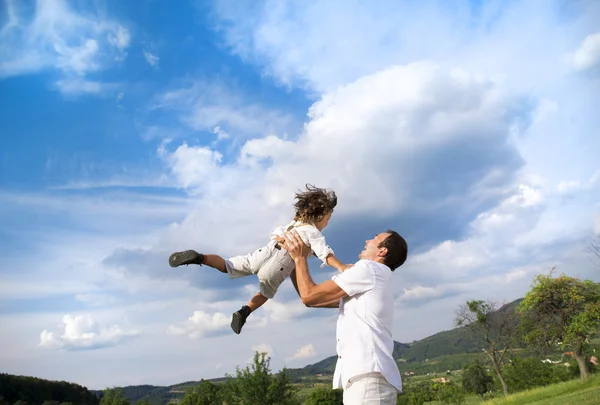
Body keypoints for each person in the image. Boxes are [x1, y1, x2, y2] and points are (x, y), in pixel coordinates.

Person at [168, 184, 350, 335]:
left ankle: (200, 257)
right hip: (279, 264)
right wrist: (342, 267)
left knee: (227, 264)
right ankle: (244, 312)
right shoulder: (313, 232)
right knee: (265, 293)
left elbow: (276, 234)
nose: (327, 223)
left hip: (266, 251)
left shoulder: (292, 224)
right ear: (319, 216)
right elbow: (325, 253)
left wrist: (282, 240)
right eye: (327, 218)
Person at [282, 228, 408, 405]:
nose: (367, 240)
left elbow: (310, 295)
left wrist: (300, 257)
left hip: (368, 380)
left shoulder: (369, 269)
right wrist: (293, 261)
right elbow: (311, 299)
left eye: (374, 238)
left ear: (382, 251)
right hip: (367, 380)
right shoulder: (375, 279)